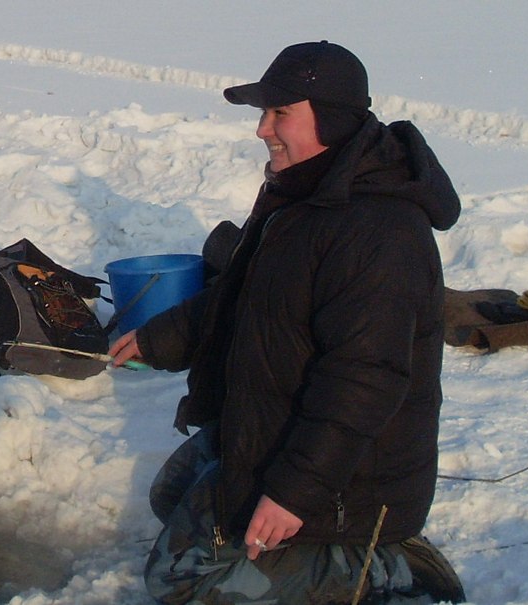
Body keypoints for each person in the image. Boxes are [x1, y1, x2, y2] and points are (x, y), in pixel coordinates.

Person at [110, 40, 465, 604]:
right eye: (263, 113)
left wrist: (293, 493)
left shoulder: (378, 232)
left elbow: (364, 380)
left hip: (350, 479)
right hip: (278, 422)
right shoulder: (304, 192)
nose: (262, 130)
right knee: (170, 495)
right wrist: (159, 336)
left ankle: (386, 564)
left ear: (332, 120)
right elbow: (245, 296)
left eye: (281, 114)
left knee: (178, 582)